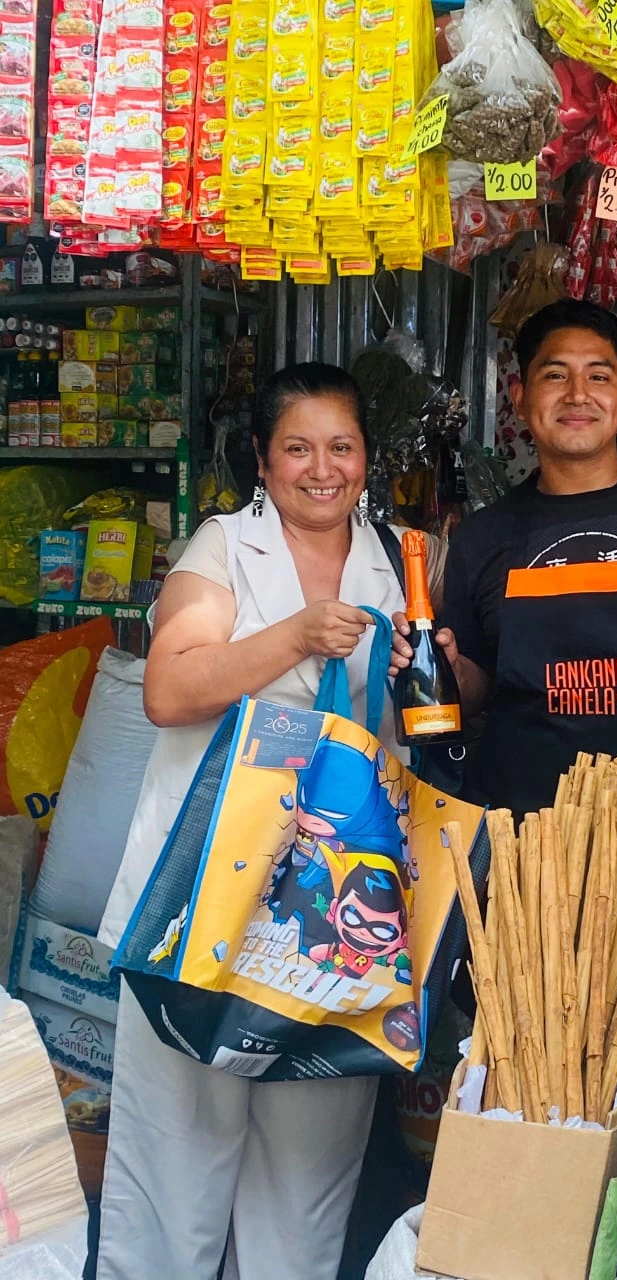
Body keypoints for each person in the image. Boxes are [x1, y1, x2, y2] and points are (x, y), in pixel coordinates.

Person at [96, 363, 441, 1280]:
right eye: (298, 447)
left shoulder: (397, 557)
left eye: (342, 446)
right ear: (263, 459)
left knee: (308, 1168)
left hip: (332, 919)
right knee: (176, 1159)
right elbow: (169, 689)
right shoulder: (220, 548)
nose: (321, 468)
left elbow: (438, 715)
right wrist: (296, 636)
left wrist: (431, 662)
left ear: (367, 458)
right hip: (206, 899)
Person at [391, 299, 617, 815]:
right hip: (528, 831)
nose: (578, 394)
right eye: (555, 375)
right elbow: (475, 691)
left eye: (598, 376)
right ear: (519, 398)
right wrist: (446, 668)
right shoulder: (483, 536)